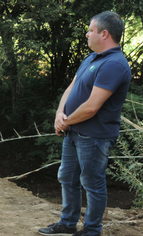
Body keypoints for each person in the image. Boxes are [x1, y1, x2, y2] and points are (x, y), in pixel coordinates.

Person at [38, 11, 131, 236]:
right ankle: (67, 223)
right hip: (73, 132)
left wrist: (66, 122)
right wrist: (60, 113)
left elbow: (92, 106)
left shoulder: (114, 64)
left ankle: (91, 230)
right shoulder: (92, 58)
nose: (87, 34)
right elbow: (72, 87)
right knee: (67, 177)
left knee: (92, 183)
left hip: (94, 135)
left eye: (90, 30)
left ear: (105, 34)